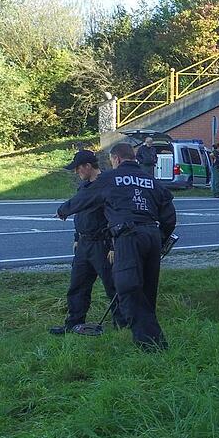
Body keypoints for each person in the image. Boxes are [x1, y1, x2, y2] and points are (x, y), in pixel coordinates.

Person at [57, 143, 177, 351]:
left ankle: (150, 344)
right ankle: (148, 337)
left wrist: (63, 211)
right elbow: (169, 215)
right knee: (147, 290)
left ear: (116, 159)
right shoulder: (151, 180)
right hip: (152, 236)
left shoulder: (110, 179)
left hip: (128, 237)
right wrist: (162, 237)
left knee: (127, 288)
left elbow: (85, 199)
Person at [48, 149, 127, 334]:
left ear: (88, 166)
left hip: (103, 244)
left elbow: (114, 217)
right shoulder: (84, 187)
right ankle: (74, 323)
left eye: (78, 169)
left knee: (112, 285)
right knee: (77, 285)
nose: (77, 172)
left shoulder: (105, 184)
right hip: (84, 244)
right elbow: (81, 211)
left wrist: (114, 246)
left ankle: (122, 324)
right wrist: (77, 237)